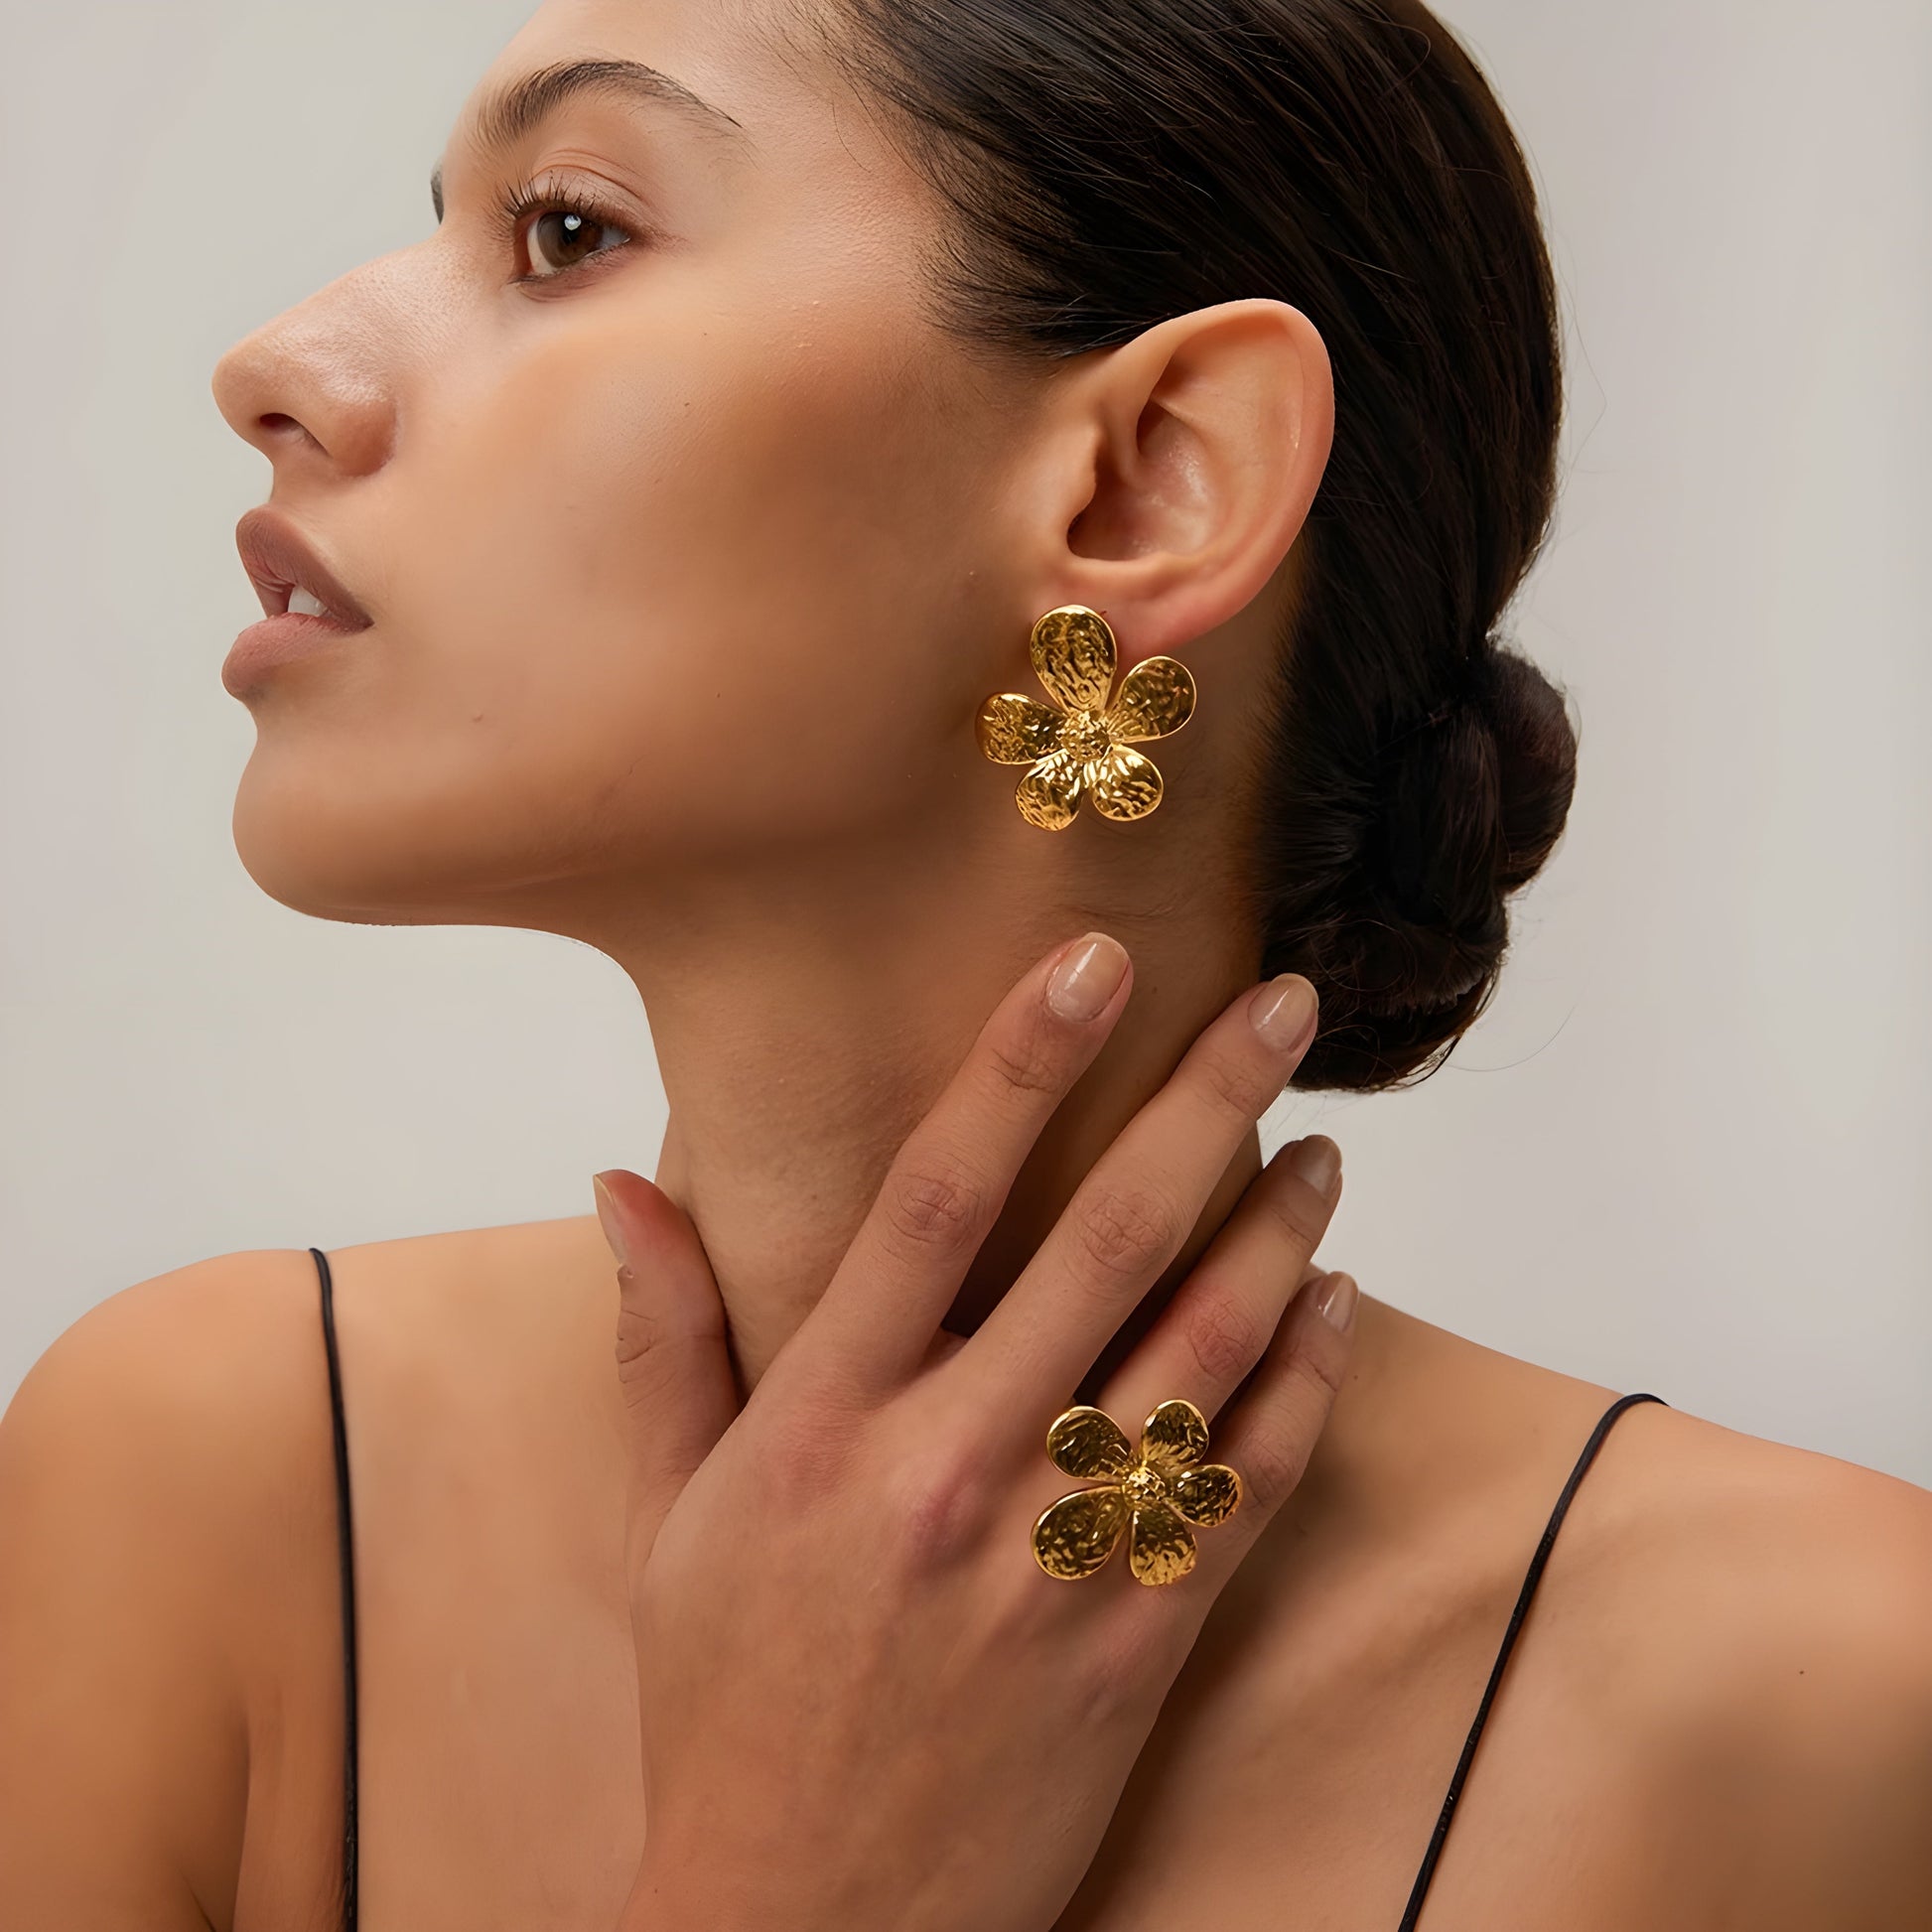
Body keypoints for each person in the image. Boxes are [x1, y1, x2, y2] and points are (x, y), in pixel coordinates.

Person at [3, 0, 1928, 1926]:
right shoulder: (198, 1490)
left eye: (567, 231)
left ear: (1151, 479)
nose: (275, 364)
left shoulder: (1818, 1700)